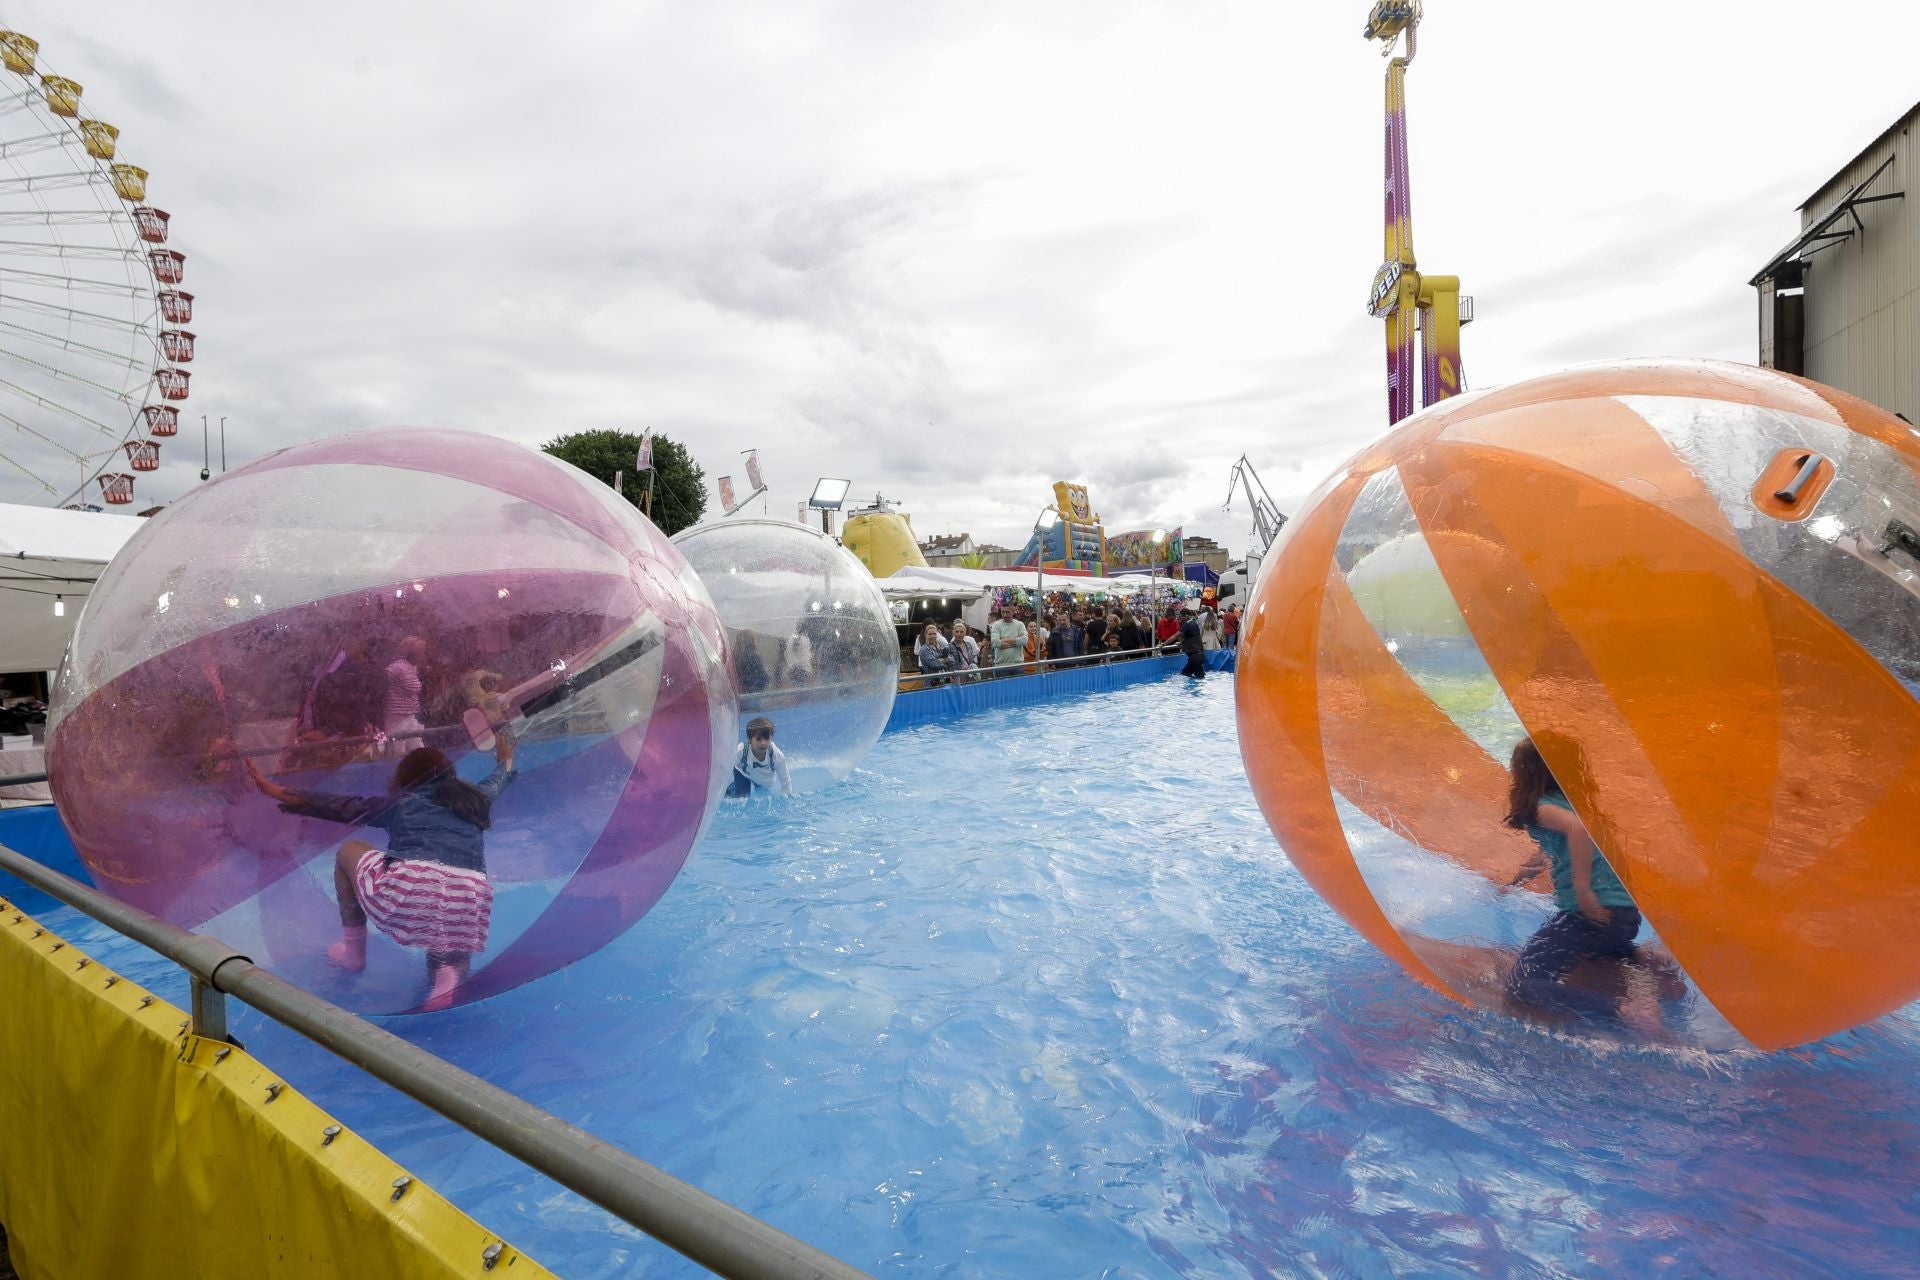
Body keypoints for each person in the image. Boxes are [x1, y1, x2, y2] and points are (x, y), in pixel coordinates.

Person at [246, 731, 516, 1012]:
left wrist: (274, 790)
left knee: (349, 851)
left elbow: (338, 805)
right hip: (469, 899)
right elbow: (495, 782)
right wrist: (505, 761)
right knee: (450, 938)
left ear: (406, 779)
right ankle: (447, 976)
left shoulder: (401, 803)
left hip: (413, 891)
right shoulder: (474, 800)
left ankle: (354, 955)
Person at [1501, 739, 1660, 1033]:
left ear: (1526, 772)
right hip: (1623, 916)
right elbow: (1549, 849)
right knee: (1598, 950)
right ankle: (1633, 956)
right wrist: (1513, 883)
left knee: (1521, 984)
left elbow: (1577, 830)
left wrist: (1583, 890)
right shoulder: (1578, 805)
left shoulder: (1542, 808)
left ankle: (1624, 1010)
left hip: (1588, 913)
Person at [383, 636, 429, 756]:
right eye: (421, 652)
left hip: (410, 715)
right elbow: (414, 687)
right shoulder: (399, 667)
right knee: (397, 755)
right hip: (397, 718)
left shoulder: (412, 667)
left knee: (418, 751)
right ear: (412, 652)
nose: (423, 655)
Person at [726, 716, 792, 797]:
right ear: (750, 740)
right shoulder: (741, 751)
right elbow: (724, 767)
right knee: (742, 795)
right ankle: (731, 790)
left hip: (762, 780)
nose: (763, 743)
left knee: (762, 794)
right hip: (744, 773)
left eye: (767, 738)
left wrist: (787, 797)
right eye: (758, 739)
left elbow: (786, 782)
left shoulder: (775, 754)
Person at [990, 605, 1028, 675]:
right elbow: (995, 643)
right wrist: (1016, 639)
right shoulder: (996, 625)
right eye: (1003, 612)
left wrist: (1003, 640)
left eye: (1007, 612)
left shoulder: (1020, 624)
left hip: (1018, 665)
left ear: (1013, 612)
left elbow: (1024, 640)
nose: (1005, 614)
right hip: (1001, 666)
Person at [1178, 606, 1207, 678]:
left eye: (1181, 616)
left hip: (1195, 657)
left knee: (1185, 673)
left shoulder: (1187, 625)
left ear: (1186, 616)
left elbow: (1176, 635)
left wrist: (1164, 643)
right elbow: (1191, 637)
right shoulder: (1194, 624)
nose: (1180, 618)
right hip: (1200, 655)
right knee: (1199, 676)